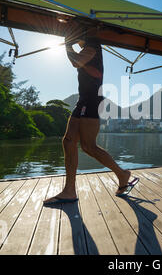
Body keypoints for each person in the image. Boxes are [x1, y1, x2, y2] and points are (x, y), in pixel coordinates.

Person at [43, 29, 139, 205]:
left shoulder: (92, 46)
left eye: (74, 34)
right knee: (68, 141)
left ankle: (122, 174)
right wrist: (69, 44)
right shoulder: (87, 47)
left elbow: (76, 62)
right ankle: (70, 190)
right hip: (83, 100)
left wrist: (66, 44)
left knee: (88, 146)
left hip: (92, 100)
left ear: (83, 34)